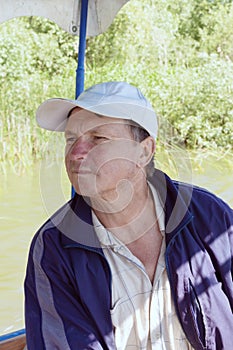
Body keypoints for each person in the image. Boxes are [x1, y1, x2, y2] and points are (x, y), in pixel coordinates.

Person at [24, 81, 233, 350]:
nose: (76, 153)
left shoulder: (210, 216)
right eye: (71, 139)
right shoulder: (53, 247)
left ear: (144, 151)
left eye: (98, 138)